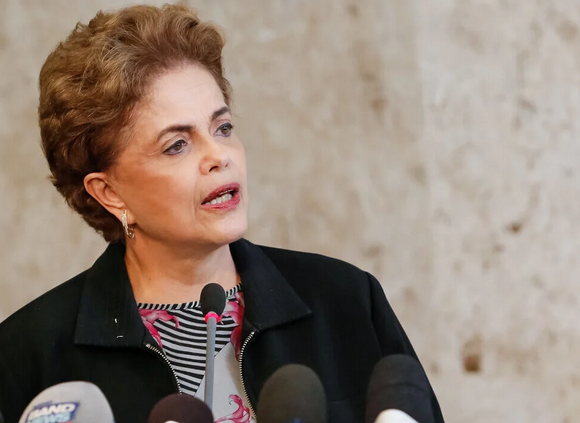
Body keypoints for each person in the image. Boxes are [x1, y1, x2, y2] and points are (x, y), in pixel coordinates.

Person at [0, 4, 444, 423]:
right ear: (109, 192)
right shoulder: (28, 354)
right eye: (177, 144)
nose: (219, 156)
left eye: (223, 127)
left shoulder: (346, 301)